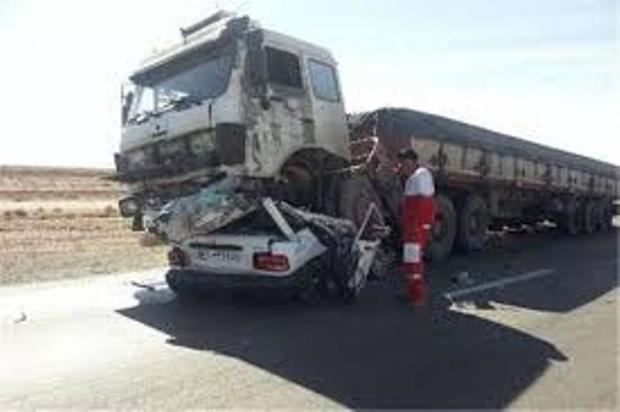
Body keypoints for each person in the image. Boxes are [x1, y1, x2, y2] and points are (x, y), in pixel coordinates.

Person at [396, 148, 435, 305]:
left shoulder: (421, 176)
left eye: (404, 162)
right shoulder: (415, 176)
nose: (402, 166)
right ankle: (412, 292)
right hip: (413, 226)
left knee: (413, 261)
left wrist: (417, 226)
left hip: (415, 226)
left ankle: (417, 296)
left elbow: (424, 204)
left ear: (412, 161)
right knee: (411, 260)